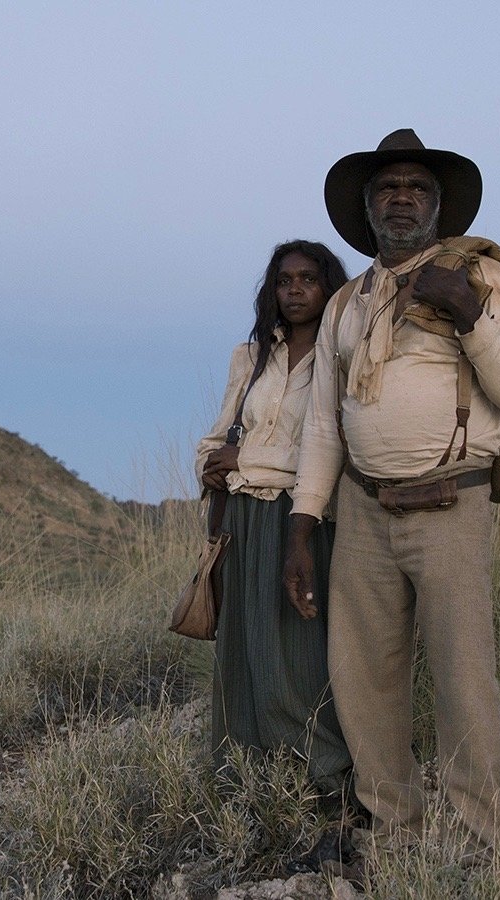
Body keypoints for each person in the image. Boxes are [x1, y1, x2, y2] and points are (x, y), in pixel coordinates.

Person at [283, 129, 500, 863]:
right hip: (363, 508)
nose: (401, 197)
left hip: (449, 503)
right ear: (368, 209)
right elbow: (325, 427)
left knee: (464, 674)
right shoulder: (344, 304)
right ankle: (392, 824)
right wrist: (303, 526)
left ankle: (479, 834)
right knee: (361, 673)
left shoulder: (477, 275)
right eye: (388, 187)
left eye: (416, 187)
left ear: (438, 206)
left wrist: (464, 308)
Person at [195, 240, 356, 864]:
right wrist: (209, 465)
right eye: (284, 280)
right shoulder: (252, 356)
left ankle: (328, 787)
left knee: (301, 653)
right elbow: (218, 436)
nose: (295, 290)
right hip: (242, 515)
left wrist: (248, 459)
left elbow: (332, 448)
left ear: (327, 286)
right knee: (243, 650)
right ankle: (251, 787)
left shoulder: (343, 356)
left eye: (308, 279)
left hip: (303, 520)